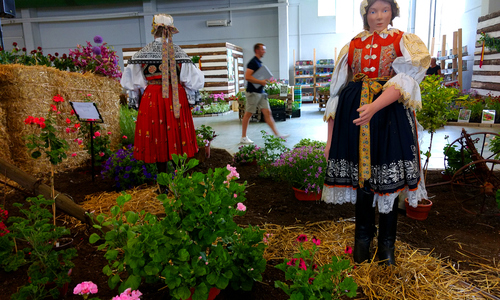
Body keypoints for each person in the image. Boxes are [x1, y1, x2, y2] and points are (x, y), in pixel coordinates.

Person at [322, 0, 430, 266]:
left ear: (393, 12)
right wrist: (329, 139)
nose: (378, 16)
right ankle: (362, 241)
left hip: (388, 116)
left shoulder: (404, 40)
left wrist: (374, 106)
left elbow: (407, 80)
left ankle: (386, 246)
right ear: (365, 14)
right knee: (362, 180)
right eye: (373, 11)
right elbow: (335, 94)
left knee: (387, 182)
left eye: (384, 10)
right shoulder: (352, 45)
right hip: (354, 117)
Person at [120, 14, 204, 178]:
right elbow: (194, 81)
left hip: (152, 98)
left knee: (158, 136)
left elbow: (130, 82)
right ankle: (179, 179)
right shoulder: (178, 53)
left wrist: (137, 98)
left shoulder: (141, 54)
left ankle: (162, 182)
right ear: (171, 32)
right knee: (177, 136)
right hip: (176, 98)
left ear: (154, 31)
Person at [240, 43, 288, 144]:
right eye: (263, 49)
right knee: (248, 114)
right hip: (253, 92)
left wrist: (263, 80)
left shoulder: (258, 62)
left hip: (261, 92)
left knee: (267, 113)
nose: (264, 51)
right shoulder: (253, 62)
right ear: (257, 50)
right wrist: (260, 81)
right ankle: (243, 137)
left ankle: (278, 135)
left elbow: (255, 77)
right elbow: (247, 77)